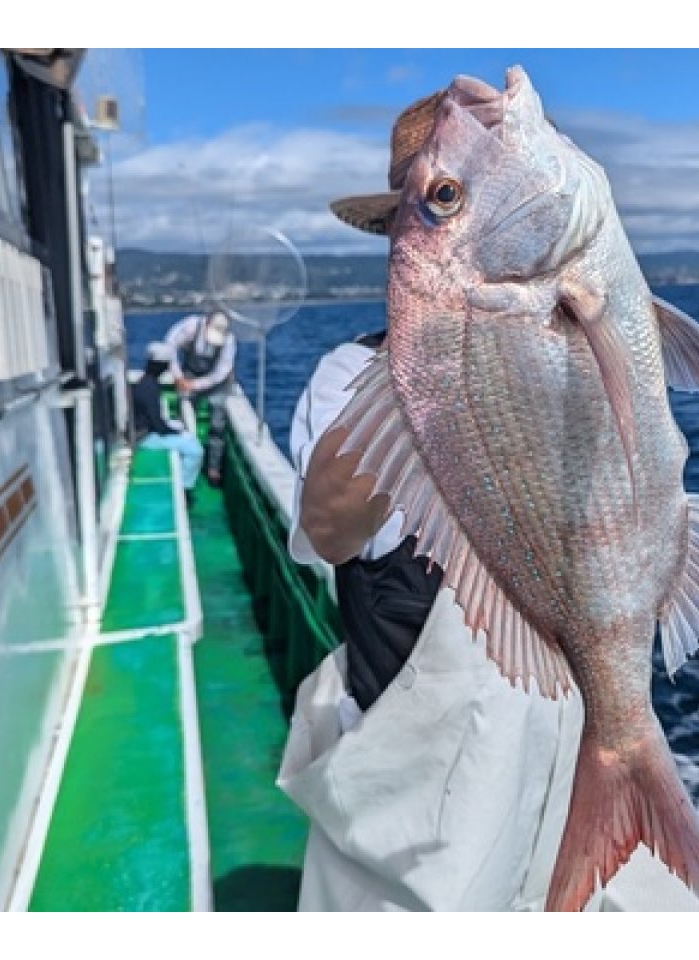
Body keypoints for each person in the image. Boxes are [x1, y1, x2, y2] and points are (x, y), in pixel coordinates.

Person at [275, 88, 585, 912]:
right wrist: (424, 359)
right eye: (444, 215)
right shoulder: (349, 374)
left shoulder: (563, 362)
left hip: (552, 744)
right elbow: (331, 532)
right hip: (418, 786)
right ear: (398, 243)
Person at [163, 307, 236, 487]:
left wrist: (195, 385)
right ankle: (185, 460)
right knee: (186, 420)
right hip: (189, 374)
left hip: (215, 383)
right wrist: (178, 375)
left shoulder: (229, 340)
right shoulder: (190, 326)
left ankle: (213, 469)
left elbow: (221, 372)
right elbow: (170, 346)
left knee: (217, 425)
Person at [131, 342, 204, 506]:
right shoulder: (149, 388)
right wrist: (177, 432)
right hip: (145, 437)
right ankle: (184, 489)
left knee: (184, 434)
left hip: (144, 431)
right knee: (195, 451)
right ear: (162, 366)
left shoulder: (145, 383)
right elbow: (159, 427)